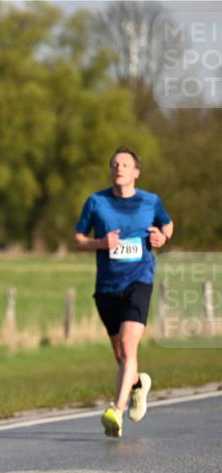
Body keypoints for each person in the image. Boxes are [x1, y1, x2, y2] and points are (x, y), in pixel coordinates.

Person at [73, 146, 173, 438]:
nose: (119, 168)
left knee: (130, 347)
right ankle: (138, 385)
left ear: (136, 172)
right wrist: (100, 244)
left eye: (125, 164)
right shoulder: (96, 202)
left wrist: (162, 236)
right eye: (114, 164)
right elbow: (79, 239)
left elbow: (167, 225)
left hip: (139, 280)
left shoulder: (150, 202)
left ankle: (115, 410)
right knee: (121, 356)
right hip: (106, 287)